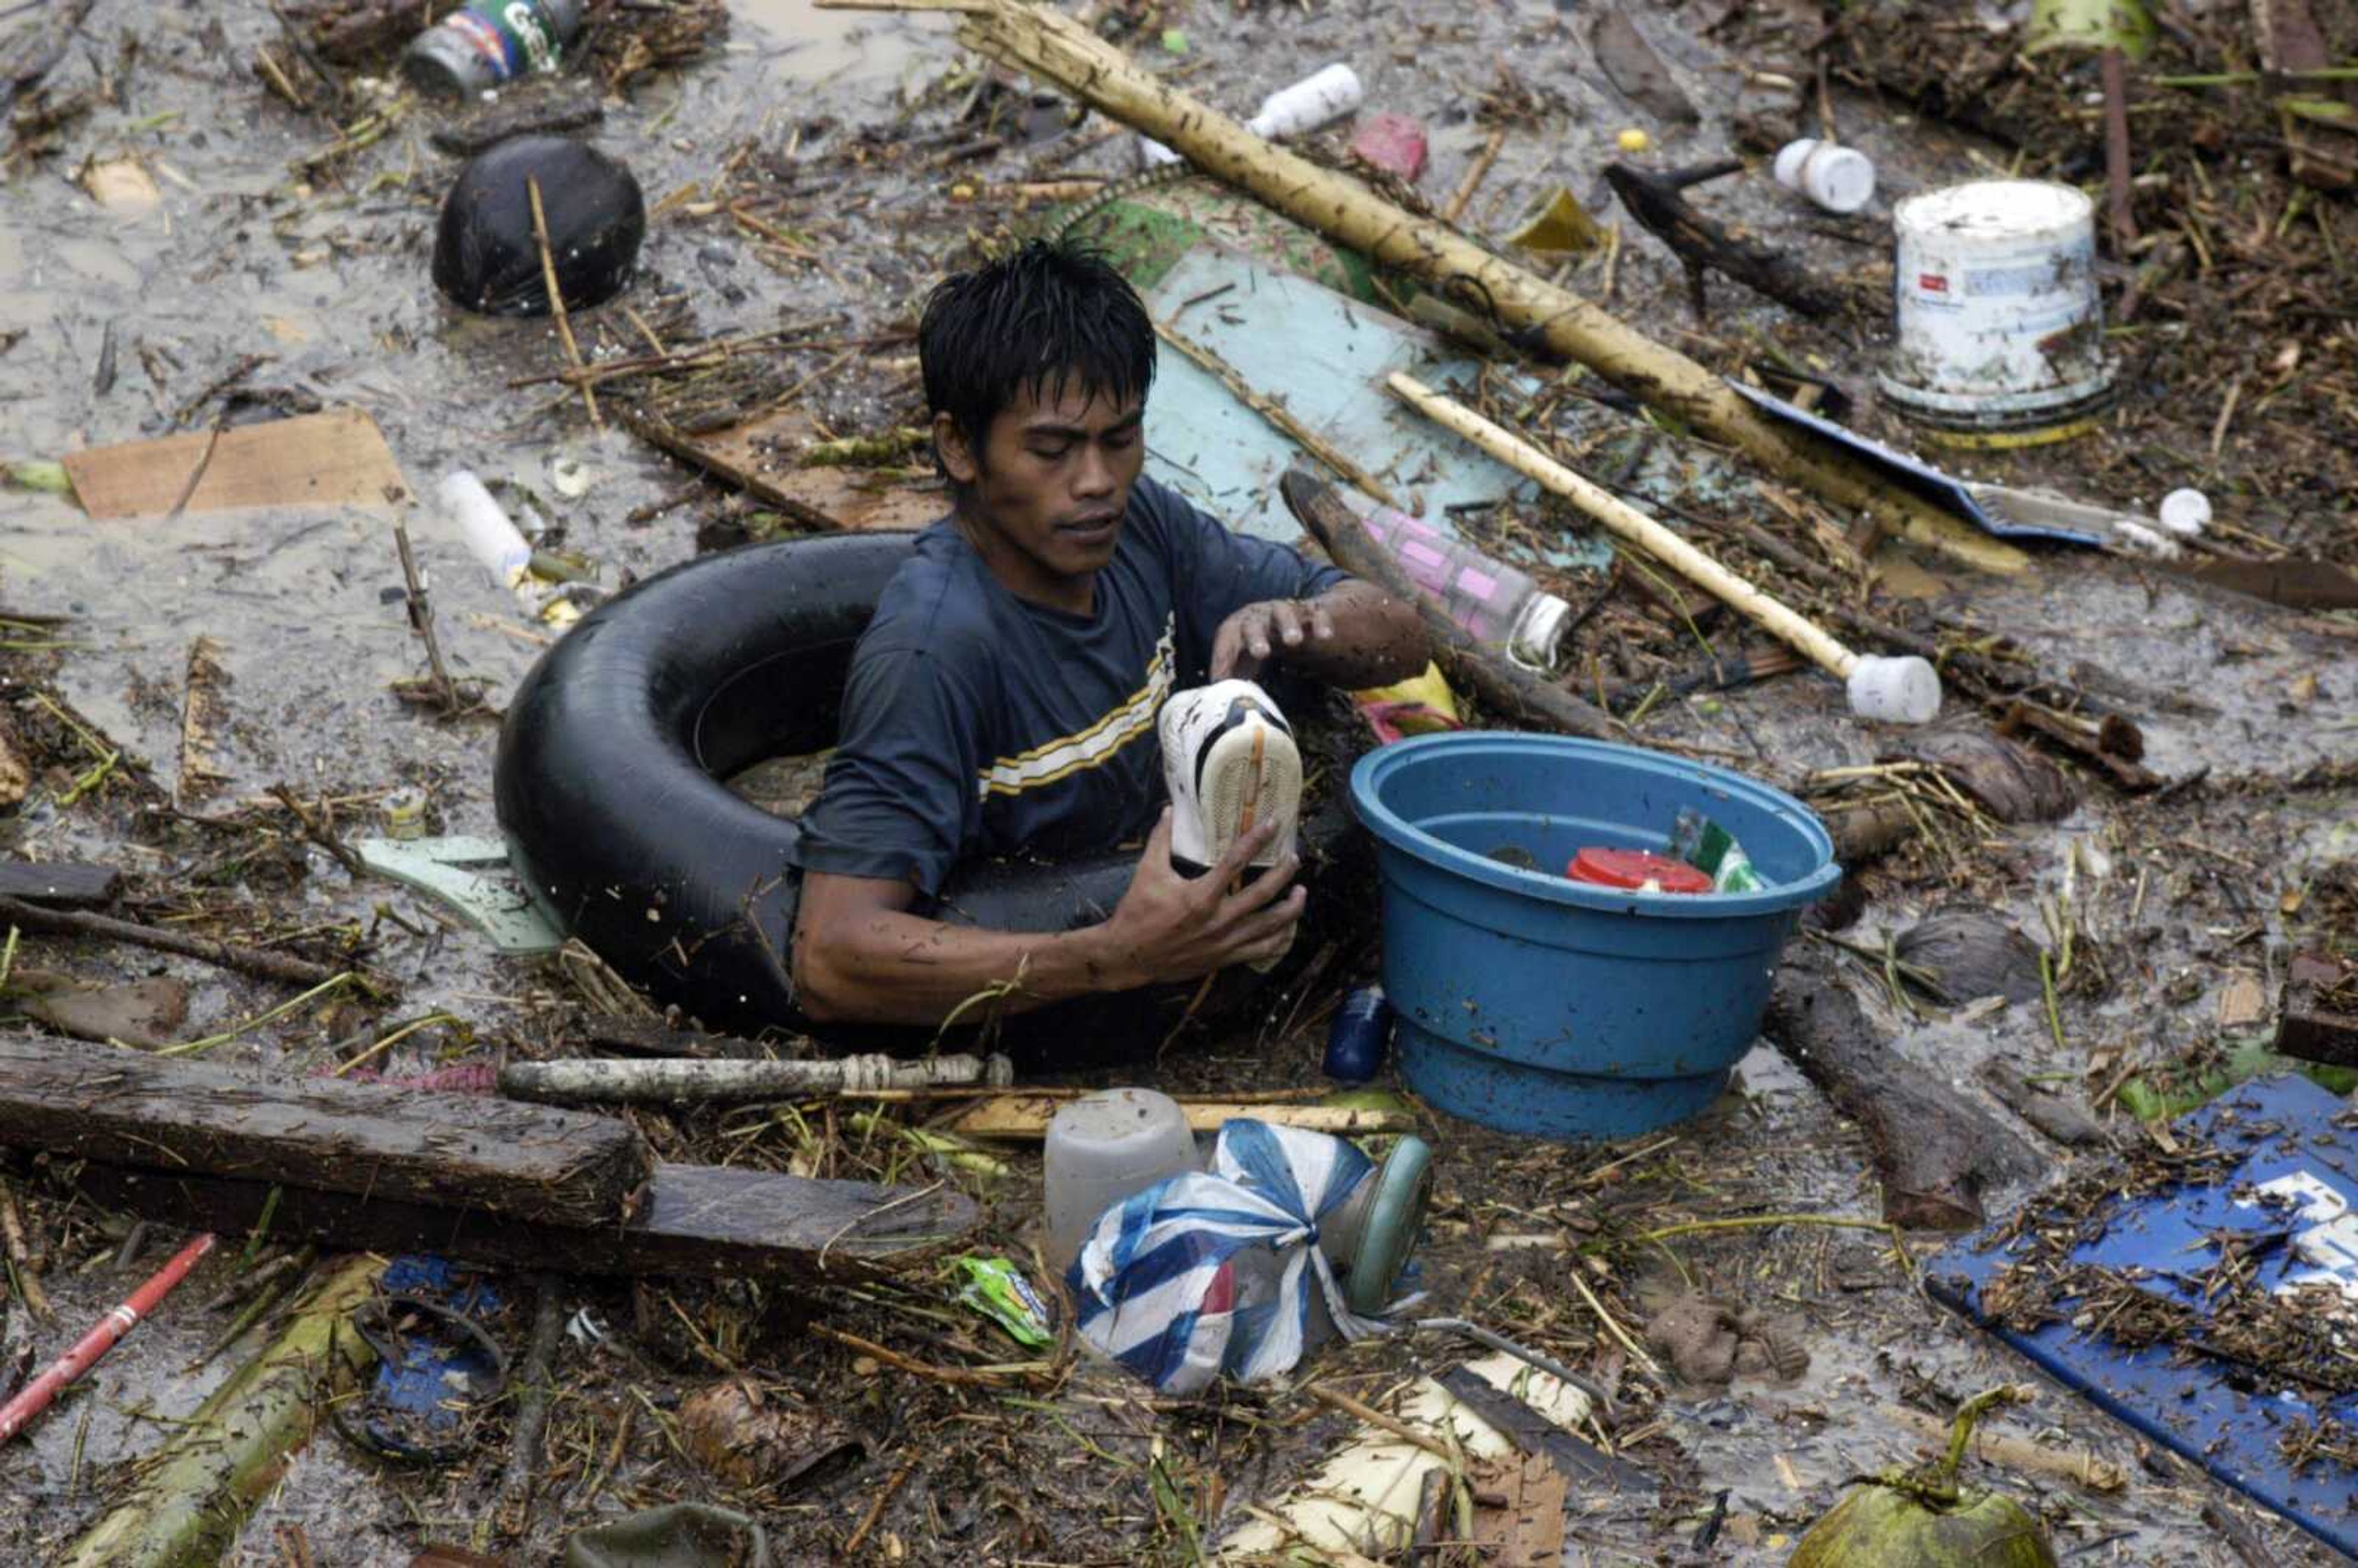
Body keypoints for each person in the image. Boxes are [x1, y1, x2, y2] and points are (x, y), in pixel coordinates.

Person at [787, 240, 1428, 1027]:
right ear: (960, 447)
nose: (1096, 483)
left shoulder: (1144, 525)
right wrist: (1109, 958)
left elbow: (1402, 637)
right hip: (1051, 983)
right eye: (1051, 450)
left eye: (1119, 440)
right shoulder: (933, 653)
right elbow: (830, 956)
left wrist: (1302, 628)